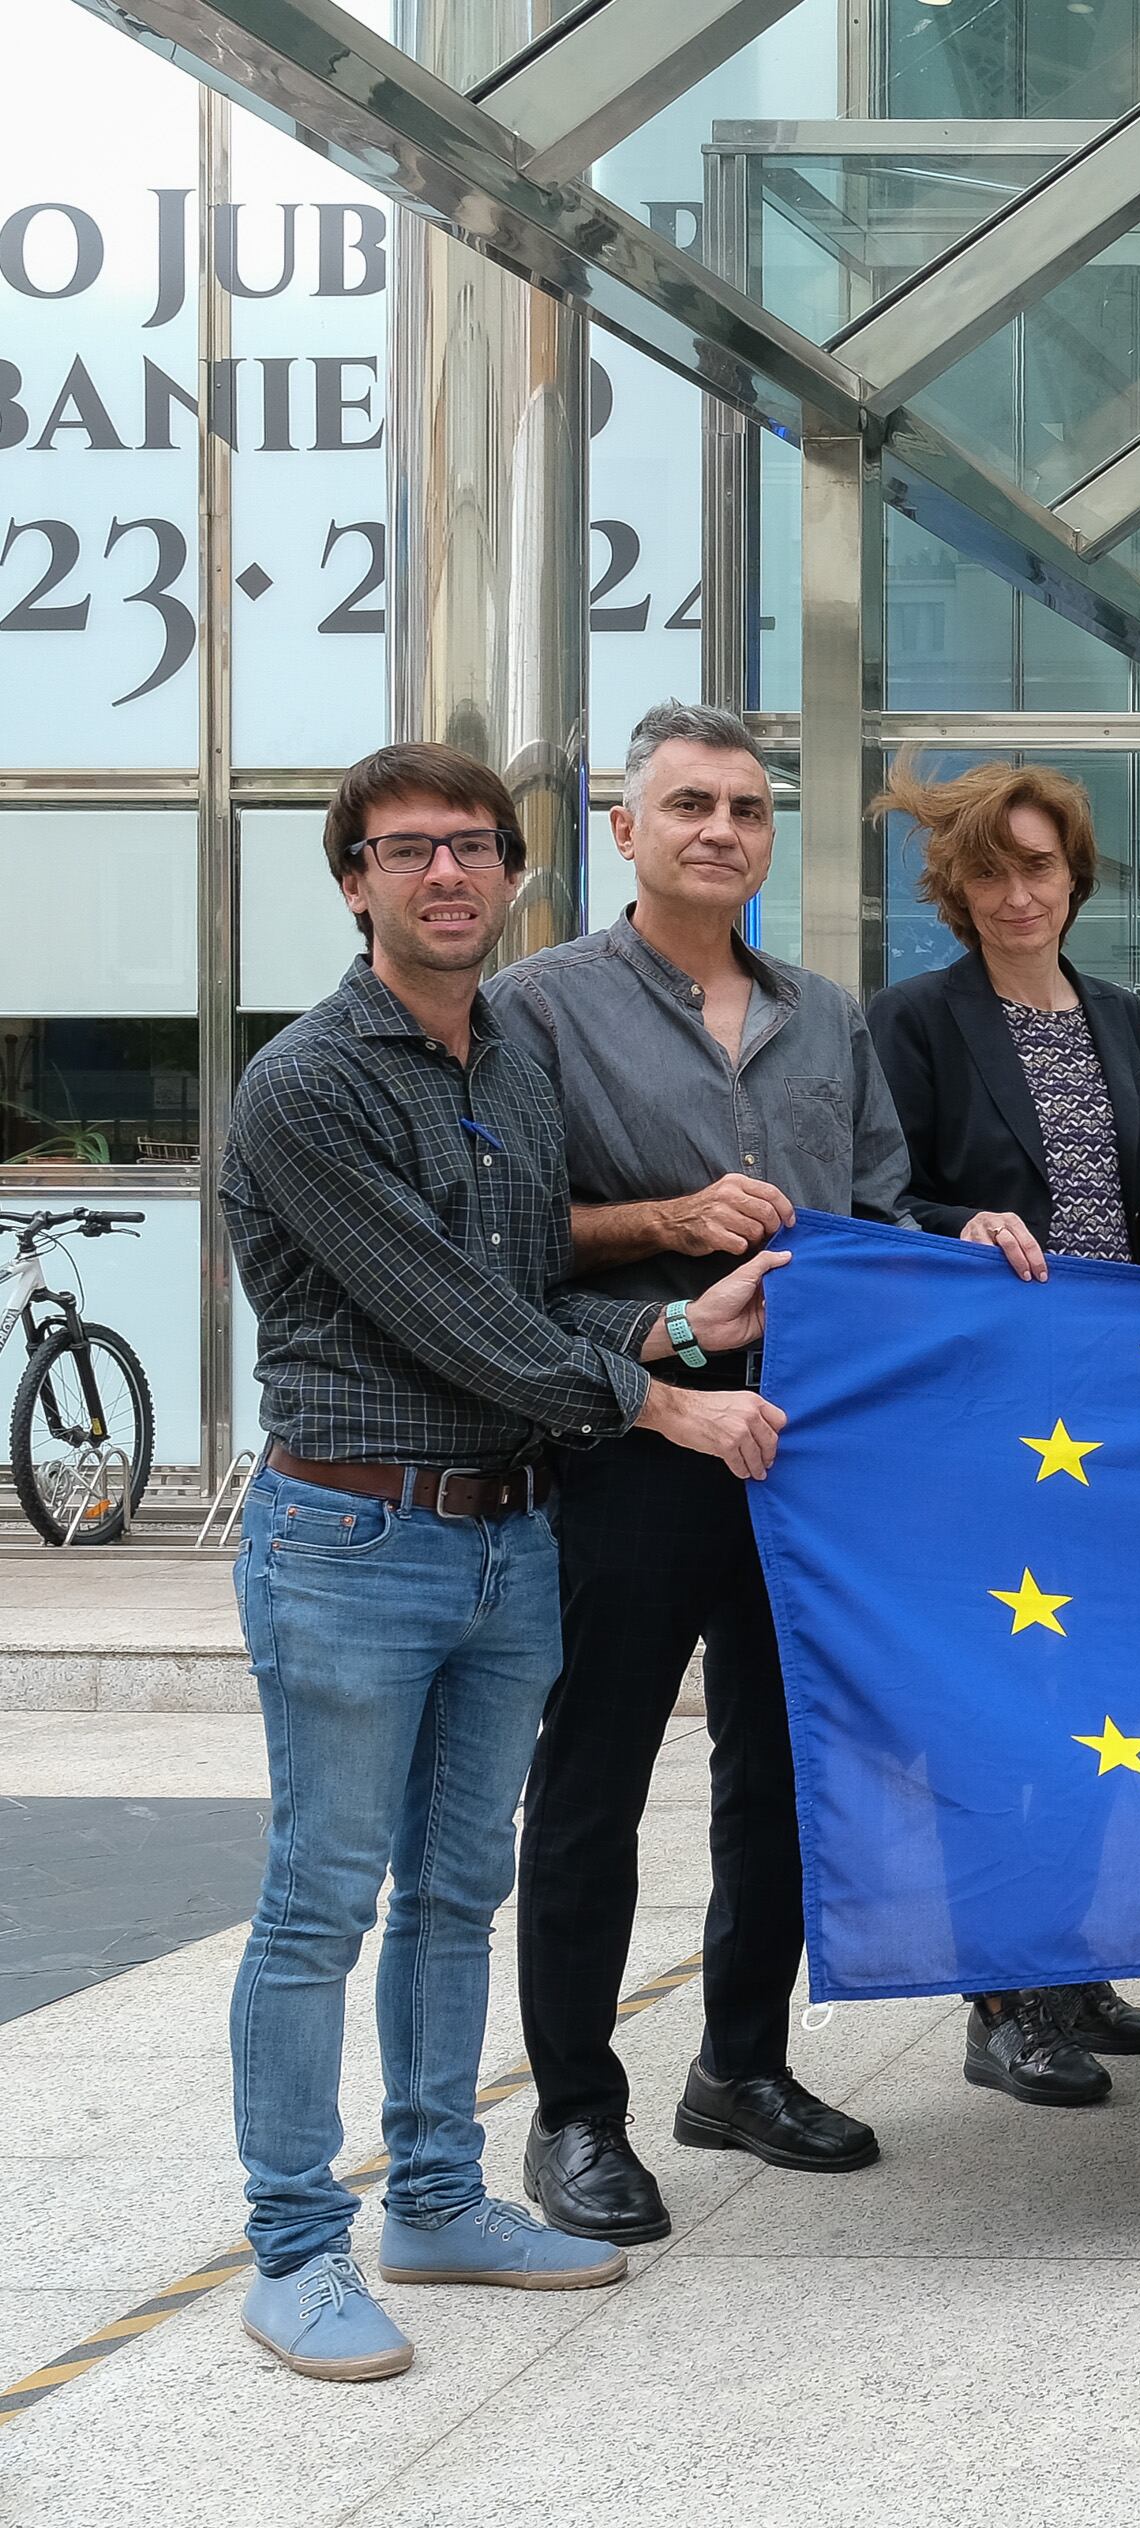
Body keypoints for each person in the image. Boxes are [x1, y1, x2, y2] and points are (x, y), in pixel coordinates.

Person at [219, 743, 790, 2376]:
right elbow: (454, 1322)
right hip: (350, 1533)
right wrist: (669, 1405)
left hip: (505, 1536)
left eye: (473, 847)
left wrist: (681, 1318)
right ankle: (292, 2252)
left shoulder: (512, 1065)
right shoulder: (311, 1084)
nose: (447, 873)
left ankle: (440, 2198)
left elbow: (536, 1282)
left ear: (515, 874)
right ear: (354, 882)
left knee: (460, 1893)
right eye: (408, 851)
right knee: (321, 1903)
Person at [495, 701, 915, 2245]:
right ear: (624, 828)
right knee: (593, 1774)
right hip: (631, 1425)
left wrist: (976, 1248)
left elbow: (877, 1211)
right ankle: (575, 2114)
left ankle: (742, 2060)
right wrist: (670, 1223)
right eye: (688, 804)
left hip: (806, 1447)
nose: (721, 829)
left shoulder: (826, 1014)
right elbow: (509, 1236)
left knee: (780, 1763)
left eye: (745, 807)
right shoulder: (537, 1010)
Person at [864, 757, 1140, 2108]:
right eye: (989, 872)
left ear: (1075, 877)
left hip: (1117, 1408)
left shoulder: (1117, 1013)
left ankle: (1066, 1960)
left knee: (1102, 1696)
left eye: (1038, 867)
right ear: (955, 887)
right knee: (1003, 1707)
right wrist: (960, 1227)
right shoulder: (917, 1019)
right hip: (992, 1421)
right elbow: (878, 1200)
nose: (1016, 893)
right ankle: (1001, 1996)